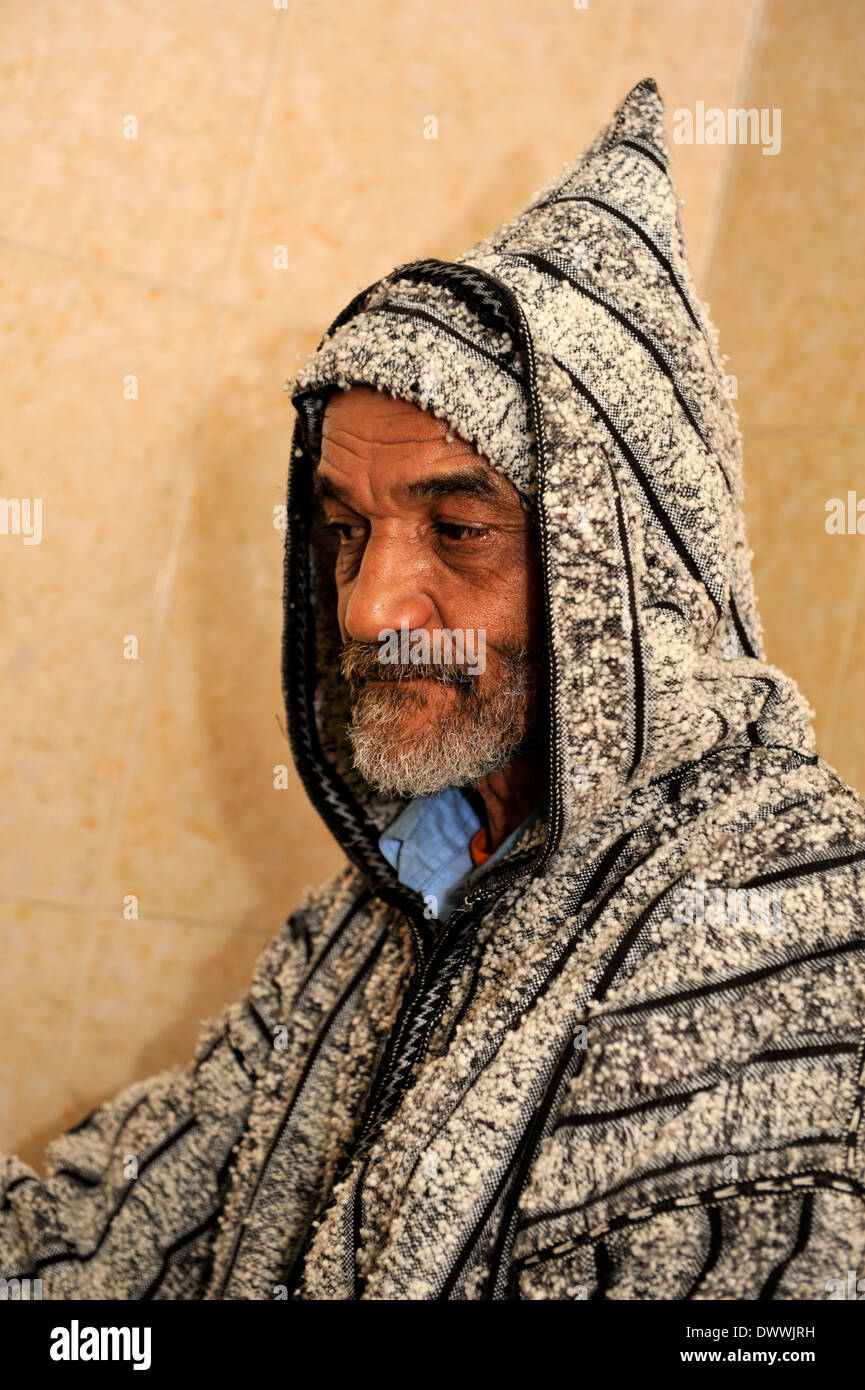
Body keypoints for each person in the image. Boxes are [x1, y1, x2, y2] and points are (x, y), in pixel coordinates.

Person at [3, 76, 864, 1301]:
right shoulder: (397, 883)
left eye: (457, 526)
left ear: (634, 569)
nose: (365, 607)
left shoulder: (779, 922)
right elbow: (113, 1250)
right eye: (343, 531)